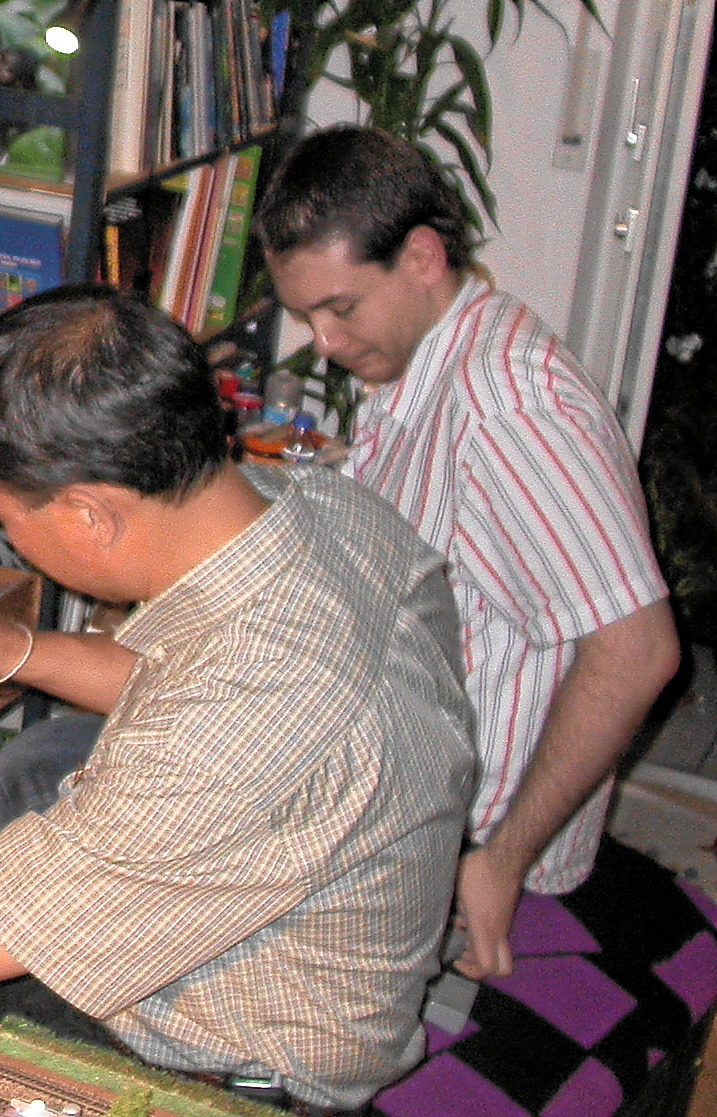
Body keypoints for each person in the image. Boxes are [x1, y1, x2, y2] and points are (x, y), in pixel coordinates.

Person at [0, 286, 475, 1112]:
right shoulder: (323, 509)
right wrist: (9, 650)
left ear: (88, 515)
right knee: (37, 765)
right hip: (280, 940)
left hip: (235, 1085)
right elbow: (186, 685)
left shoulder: (234, 720)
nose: (1, 533)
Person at [256, 125, 680, 982]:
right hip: (391, 797)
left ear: (421, 256)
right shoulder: (426, 358)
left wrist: (500, 858)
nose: (324, 343)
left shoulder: (505, 411)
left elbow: (636, 651)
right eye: (306, 317)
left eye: (340, 308)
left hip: (450, 847)